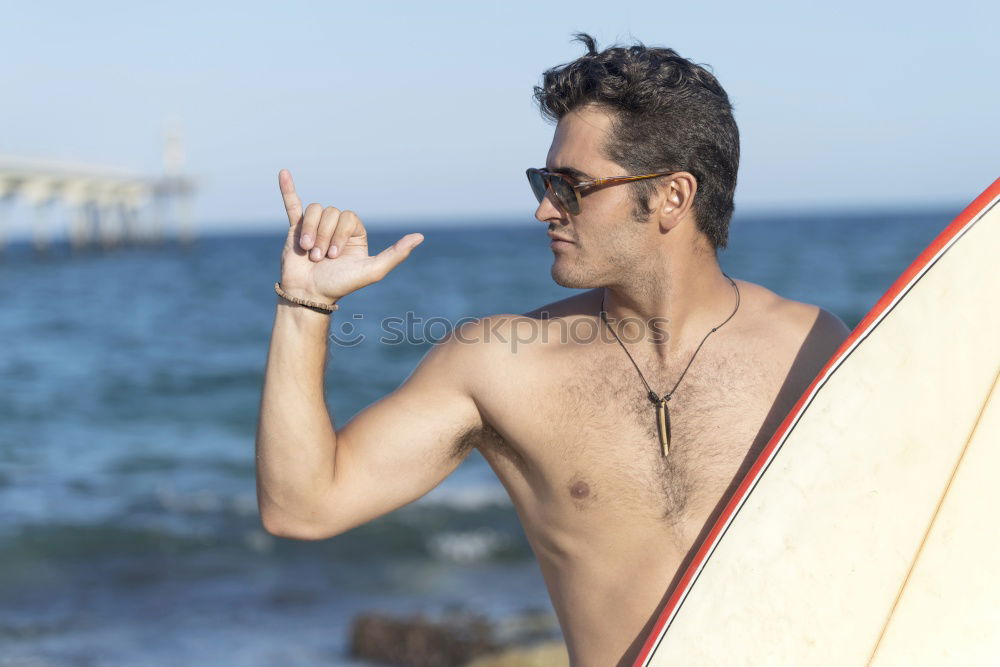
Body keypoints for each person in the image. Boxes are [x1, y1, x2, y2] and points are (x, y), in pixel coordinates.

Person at [255, 33, 851, 666]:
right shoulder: (499, 366)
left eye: (571, 185)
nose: (544, 208)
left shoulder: (811, 351)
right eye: (544, 181)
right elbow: (302, 507)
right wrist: (305, 304)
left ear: (673, 196)